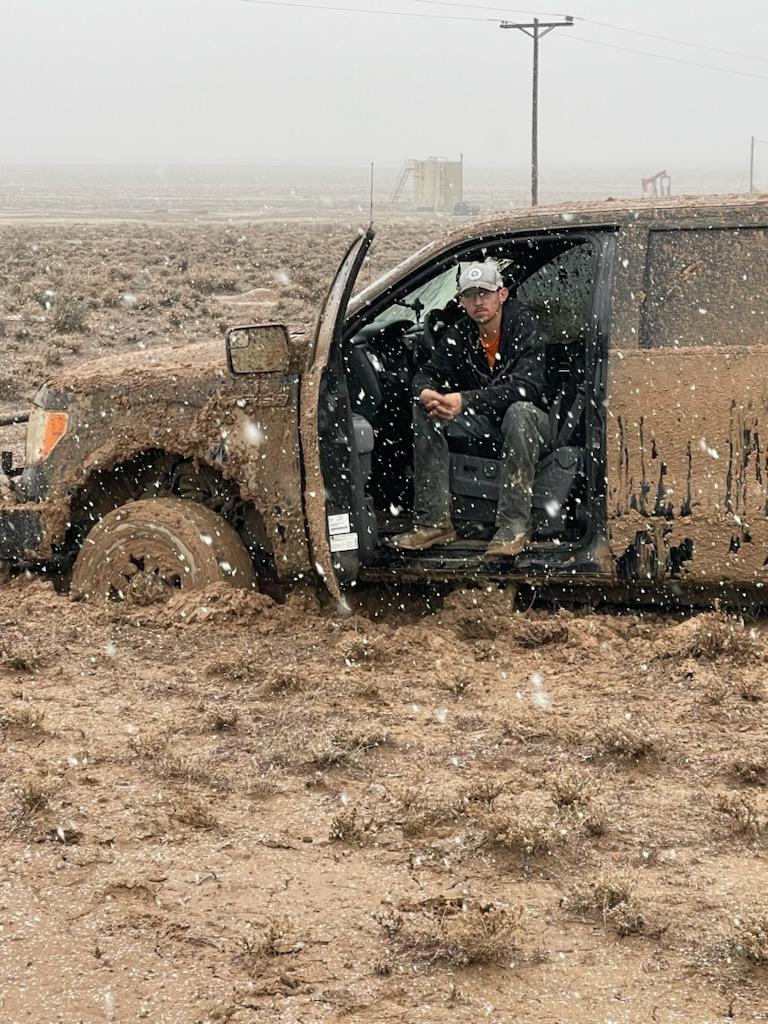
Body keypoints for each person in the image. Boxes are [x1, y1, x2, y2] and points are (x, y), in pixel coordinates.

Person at [391, 260, 549, 558]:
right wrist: (426, 393)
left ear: (501, 295)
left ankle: (514, 525)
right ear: (460, 301)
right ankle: (434, 522)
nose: (479, 302)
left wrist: (464, 400)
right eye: (470, 295)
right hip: (490, 422)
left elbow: (527, 388)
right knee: (427, 411)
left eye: (485, 293)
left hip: (537, 424)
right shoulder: (460, 335)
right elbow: (427, 373)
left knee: (520, 411)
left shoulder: (524, 324)